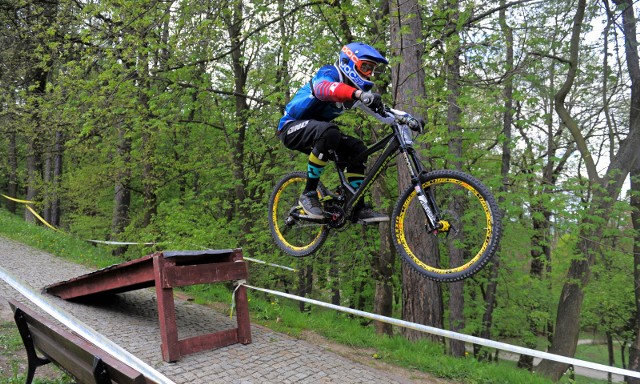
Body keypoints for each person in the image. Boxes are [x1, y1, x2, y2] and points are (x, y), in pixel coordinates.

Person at [277, 42, 390, 224]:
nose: (368, 73)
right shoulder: (330, 73)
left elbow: (384, 114)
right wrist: (358, 95)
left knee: (358, 148)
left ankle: (357, 208)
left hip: (319, 132)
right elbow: (324, 89)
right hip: (290, 128)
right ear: (349, 62)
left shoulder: (355, 93)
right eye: (365, 67)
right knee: (330, 131)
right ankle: (308, 193)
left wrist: (407, 120)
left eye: (371, 70)